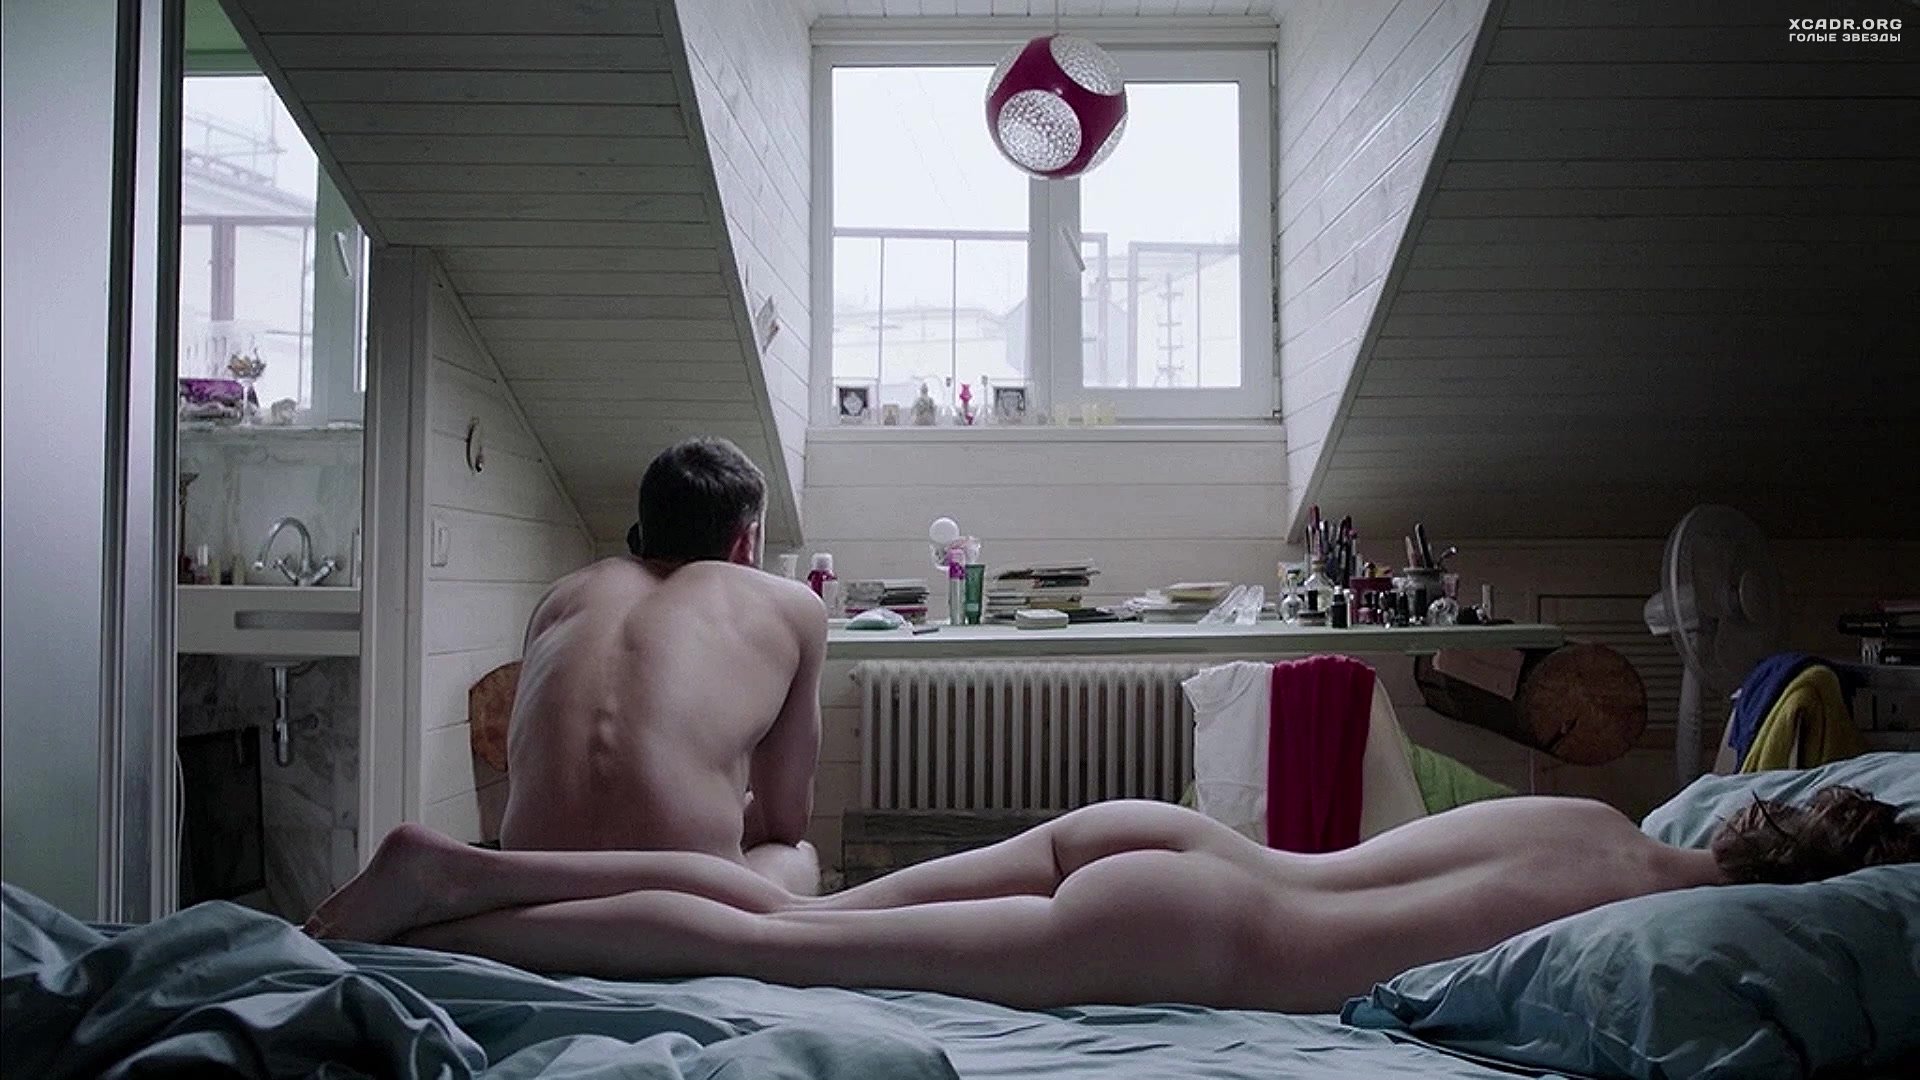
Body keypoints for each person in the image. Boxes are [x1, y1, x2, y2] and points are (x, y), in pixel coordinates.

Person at [307, 786, 1917, 1014]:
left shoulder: (1599, 814)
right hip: (1206, 933)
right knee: (779, 946)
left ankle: (461, 876)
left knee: (793, 904)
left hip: (1173, 840)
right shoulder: (1665, 928)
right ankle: (453, 914)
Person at [498, 437, 826, 895]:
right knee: (796, 855)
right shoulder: (794, 607)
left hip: (534, 890)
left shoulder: (560, 599)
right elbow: (784, 821)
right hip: (684, 901)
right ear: (747, 541)